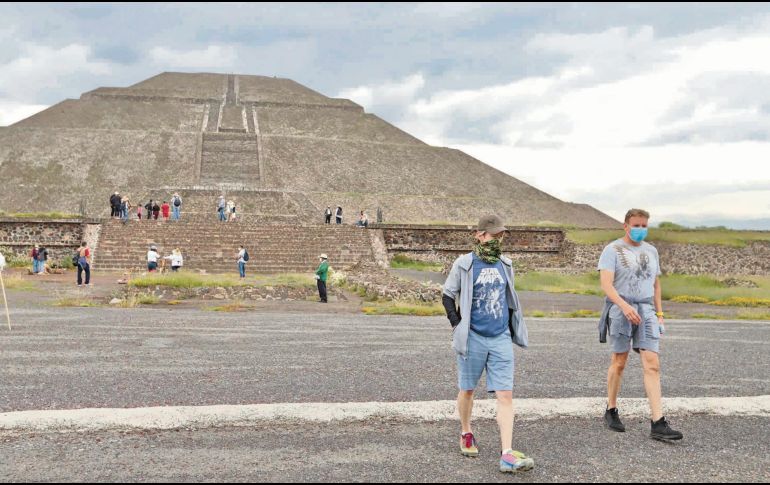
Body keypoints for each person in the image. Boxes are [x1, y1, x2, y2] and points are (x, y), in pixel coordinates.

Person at [442, 214, 534, 474]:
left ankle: (506, 453)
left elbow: (509, 297)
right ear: (480, 235)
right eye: (494, 235)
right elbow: (448, 295)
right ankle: (466, 431)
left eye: (501, 235)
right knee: (467, 389)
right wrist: (457, 324)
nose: (499, 239)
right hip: (473, 337)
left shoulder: (506, 264)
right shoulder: (465, 264)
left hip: (500, 337)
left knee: (505, 395)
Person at [598, 209, 683, 442]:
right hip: (620, 309)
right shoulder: (612, 250)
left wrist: (660, 313)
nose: (641, 229)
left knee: (652, 363)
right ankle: (611, 409)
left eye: (644, 225)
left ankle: (658, 422)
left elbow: (655, 285)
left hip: (646, 310)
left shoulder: (651, 250)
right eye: (636, 224)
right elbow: (606, 284)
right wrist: (624, 307)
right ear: (625, 225)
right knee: (619, 361)